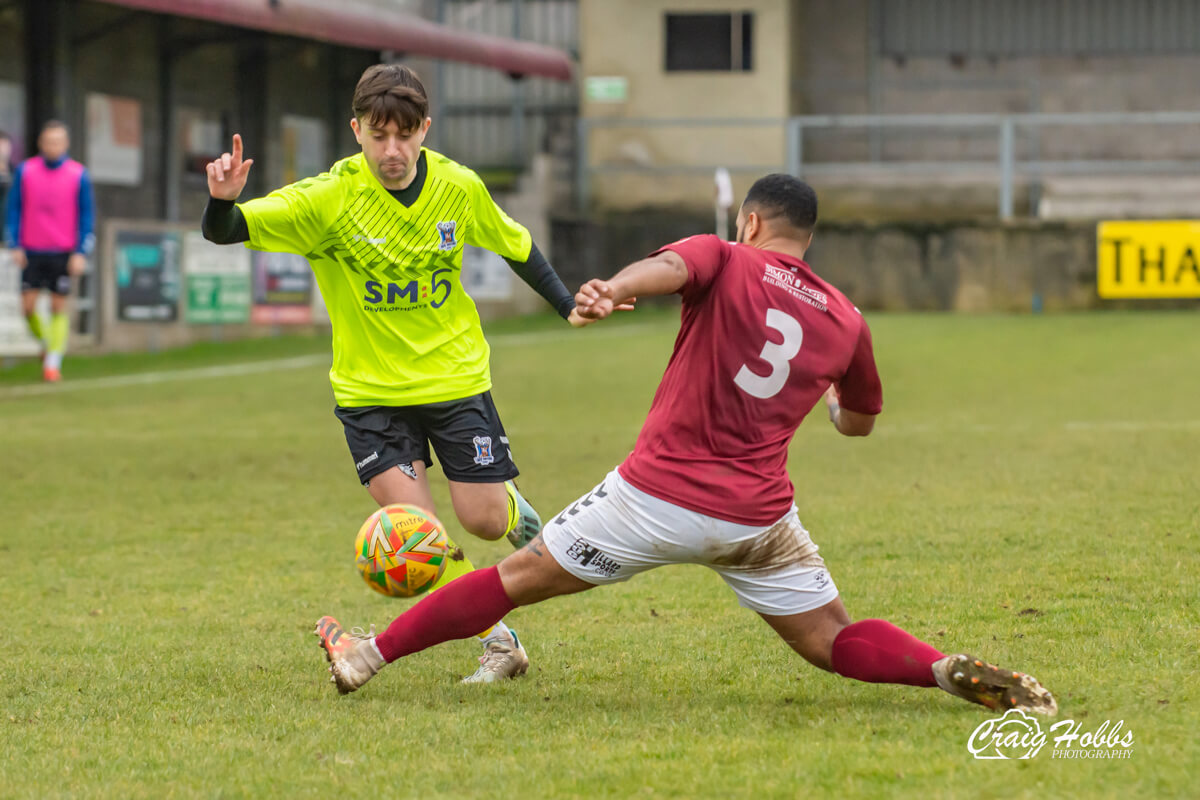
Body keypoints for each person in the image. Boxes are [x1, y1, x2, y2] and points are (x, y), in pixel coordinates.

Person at [313, 174, 1058, 716]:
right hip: (757, 521)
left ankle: (366, 656)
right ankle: (938, 669)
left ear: (752, 223)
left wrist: (611, 285)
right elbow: (858, 423)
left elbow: (671, 270)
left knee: (513, 577)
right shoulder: (845, 320)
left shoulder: (728, 257)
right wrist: (830, 401)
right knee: (832, 639)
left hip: (652, 500)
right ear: (808, 238)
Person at [203, 63, 610, 683]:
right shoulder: (328, 199)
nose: (391, 151)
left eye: (404, 135)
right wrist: (221, 200)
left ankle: (506, 509)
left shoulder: (457, 186)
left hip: (455, 382)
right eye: (376, 135)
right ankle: (502, 645)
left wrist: (564, 305)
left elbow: (515, 243)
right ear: (356, 130)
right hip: (370, 397)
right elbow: (228, 231)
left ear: (424, 129)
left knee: (478, 518)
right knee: (417, 535)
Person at [4, 121, 95, 382]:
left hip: (62, 250)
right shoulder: (26, 171)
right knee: (28, 308)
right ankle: (47, 343)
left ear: (65, 144)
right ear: (41, 144)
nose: (53, 146)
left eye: (58, 141)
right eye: (48, 141)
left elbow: (87, 214)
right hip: (32, 248)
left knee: (58, 305)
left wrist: (80, 252)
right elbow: (14, 209)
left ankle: (53, 363)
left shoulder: (78, 174)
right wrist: (15, 243)